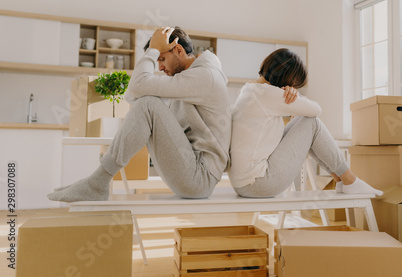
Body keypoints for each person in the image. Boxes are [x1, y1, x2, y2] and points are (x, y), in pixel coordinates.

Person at [48, 26, 231, 202]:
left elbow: (139, 90)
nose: (159, 67)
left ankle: (97, 182)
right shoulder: (185, 80)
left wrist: (151, 50)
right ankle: (97, 181)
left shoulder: (205, 77)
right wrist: (153, 53)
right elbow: (133, 95)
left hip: (200, 176)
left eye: (161, 59)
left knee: (149, 103)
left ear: (178, 50)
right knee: (147, 102)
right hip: (191, 170)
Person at [228, 48, 382, 198]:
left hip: (243, 183)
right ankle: (350, 180)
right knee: (311, 123)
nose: (293, 88)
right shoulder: (266, 93)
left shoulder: (250, 90)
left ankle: (341, 180)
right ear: (285, 78)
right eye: (294, 85)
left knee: (303, 122)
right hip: (258, 184)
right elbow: (316, 110)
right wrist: (297, 95)